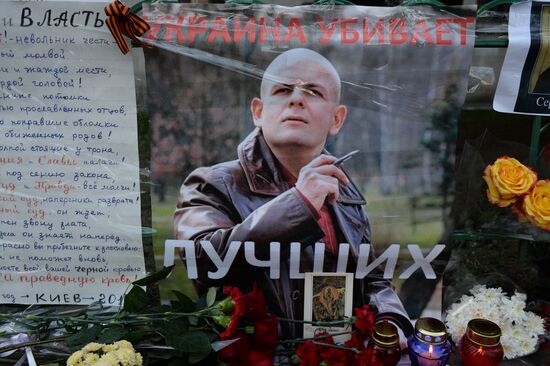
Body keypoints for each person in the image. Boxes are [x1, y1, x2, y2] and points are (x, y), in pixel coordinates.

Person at [174, 48, 413, 339]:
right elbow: (202, 261)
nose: (297, 98)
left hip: (334, 354)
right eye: (283, 89)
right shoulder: (213, 183)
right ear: (258, 112)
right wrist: (300, 203)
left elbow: (371, 277)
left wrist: (391, 322)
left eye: (313, 92)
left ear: (336, 119)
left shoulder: (345, 193)